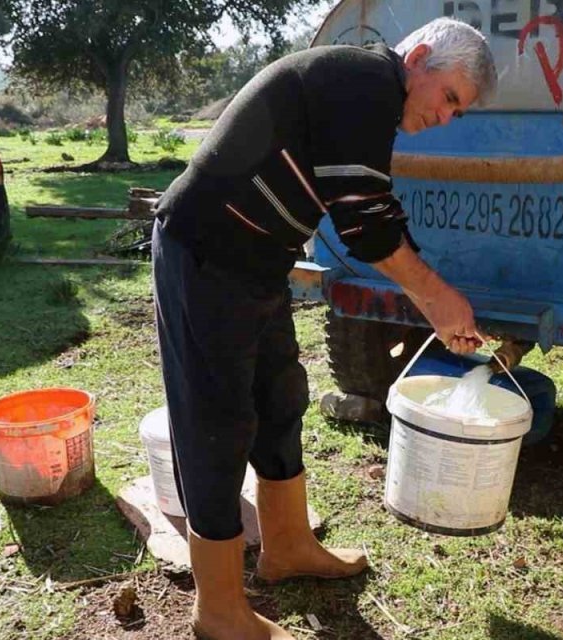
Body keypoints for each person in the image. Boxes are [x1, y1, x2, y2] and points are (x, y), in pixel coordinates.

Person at [151, 17, 497, 640]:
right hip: (204, 253)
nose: (447, 118)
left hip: (255, 262)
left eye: (459, 112)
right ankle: (220, 609)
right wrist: (439, 299)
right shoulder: (365, 82)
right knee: (217, 423)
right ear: (418, 57)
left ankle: (286, 546)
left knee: (280, 399)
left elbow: (374, 206)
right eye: (449, 98)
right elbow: (365, 226)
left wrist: (435, 297)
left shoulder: (370, 95)